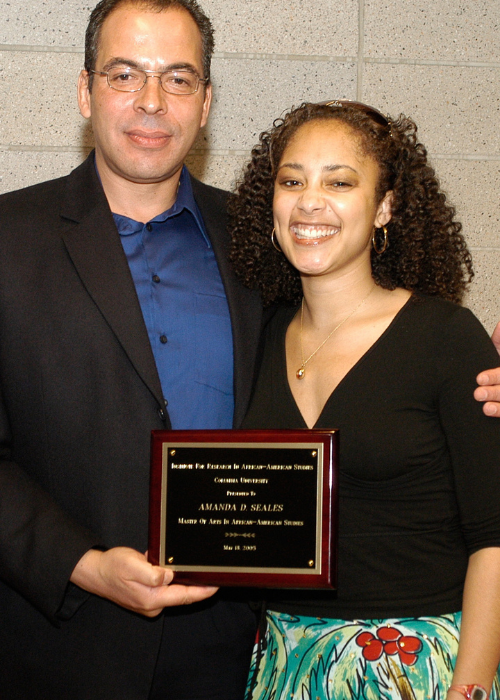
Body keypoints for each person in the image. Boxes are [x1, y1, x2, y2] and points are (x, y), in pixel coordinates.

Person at [0, 0, 262, 698]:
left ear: (205, 103)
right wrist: (84, 564)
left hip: (237, 649)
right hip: (55, 647)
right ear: (85, 91)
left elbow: (346, 363)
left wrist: (464, 373)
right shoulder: (6, 239)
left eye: (178, 78)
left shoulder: (264, 241)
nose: (152, 102)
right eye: (125, 74)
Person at [229, 100, 500, 700]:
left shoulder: (446, 336)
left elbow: (495, 537)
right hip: (283, 664)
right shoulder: (255, 337)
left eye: (340, 182)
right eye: (292, 180)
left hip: (417, 666)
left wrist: (472, 688)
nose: (310, 200)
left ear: (385, 208)